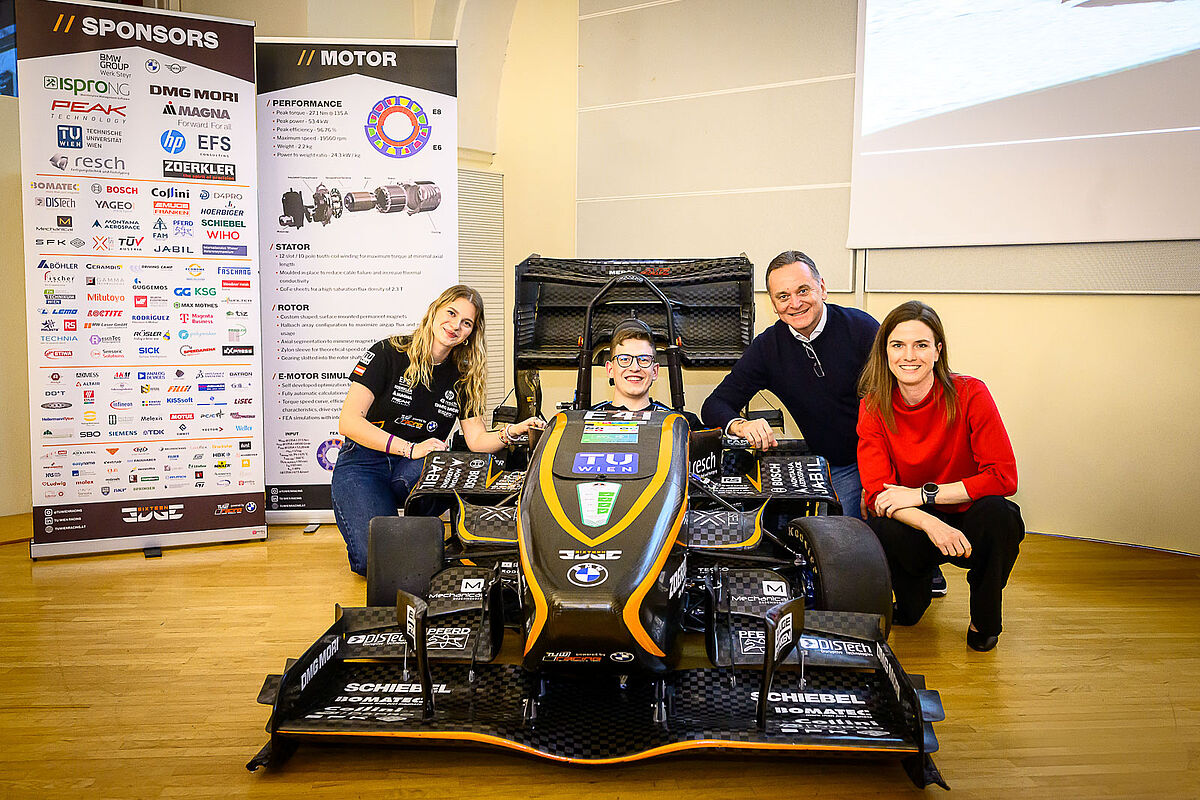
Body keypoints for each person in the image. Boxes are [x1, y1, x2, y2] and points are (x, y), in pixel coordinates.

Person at [331, 284, 544, 575]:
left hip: (415, 467)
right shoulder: (388, 352)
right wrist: (410, 448)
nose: (455, 326)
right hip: (364, 461)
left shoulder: (464, 374)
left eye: (466, 323)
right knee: (374, 562)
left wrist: (512, 431)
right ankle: (399, 536)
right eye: (451, 313)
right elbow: (349, 422)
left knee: (455, 469)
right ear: (435, 310)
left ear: (471, 333)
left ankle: (412, 537)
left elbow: (477, 440)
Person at [856, 300, 1024, 652]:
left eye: (921, 345)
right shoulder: (873, 405)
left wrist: (923, 494)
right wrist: (932, 524)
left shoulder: (970, 392)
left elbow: (1003, 477)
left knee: (1002, 515)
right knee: (881, 525)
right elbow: (876, 493)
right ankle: (913, 597)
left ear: (937, 351)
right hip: (915, 522)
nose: (909, 356)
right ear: (885, 352)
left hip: (968, 513)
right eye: (898, 345)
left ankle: (984, 618)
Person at [701, 251, 878, 519]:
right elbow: (714, 405)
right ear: (773, 304)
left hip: (881, 458)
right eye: (783, 296)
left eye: (803, 290)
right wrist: (742, 425)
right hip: (836, 466)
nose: (795, 303)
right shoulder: (768, 348)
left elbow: (895, 404)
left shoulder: (862, 329)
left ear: (822, 288)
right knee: (843, 536)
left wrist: (876, 479)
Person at [590, 318, 702, 429]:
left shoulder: (682, 423)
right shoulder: (585, 419)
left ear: (655, 371)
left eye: (643, 359)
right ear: (610, 370)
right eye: (624, 359)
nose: (635, 368)